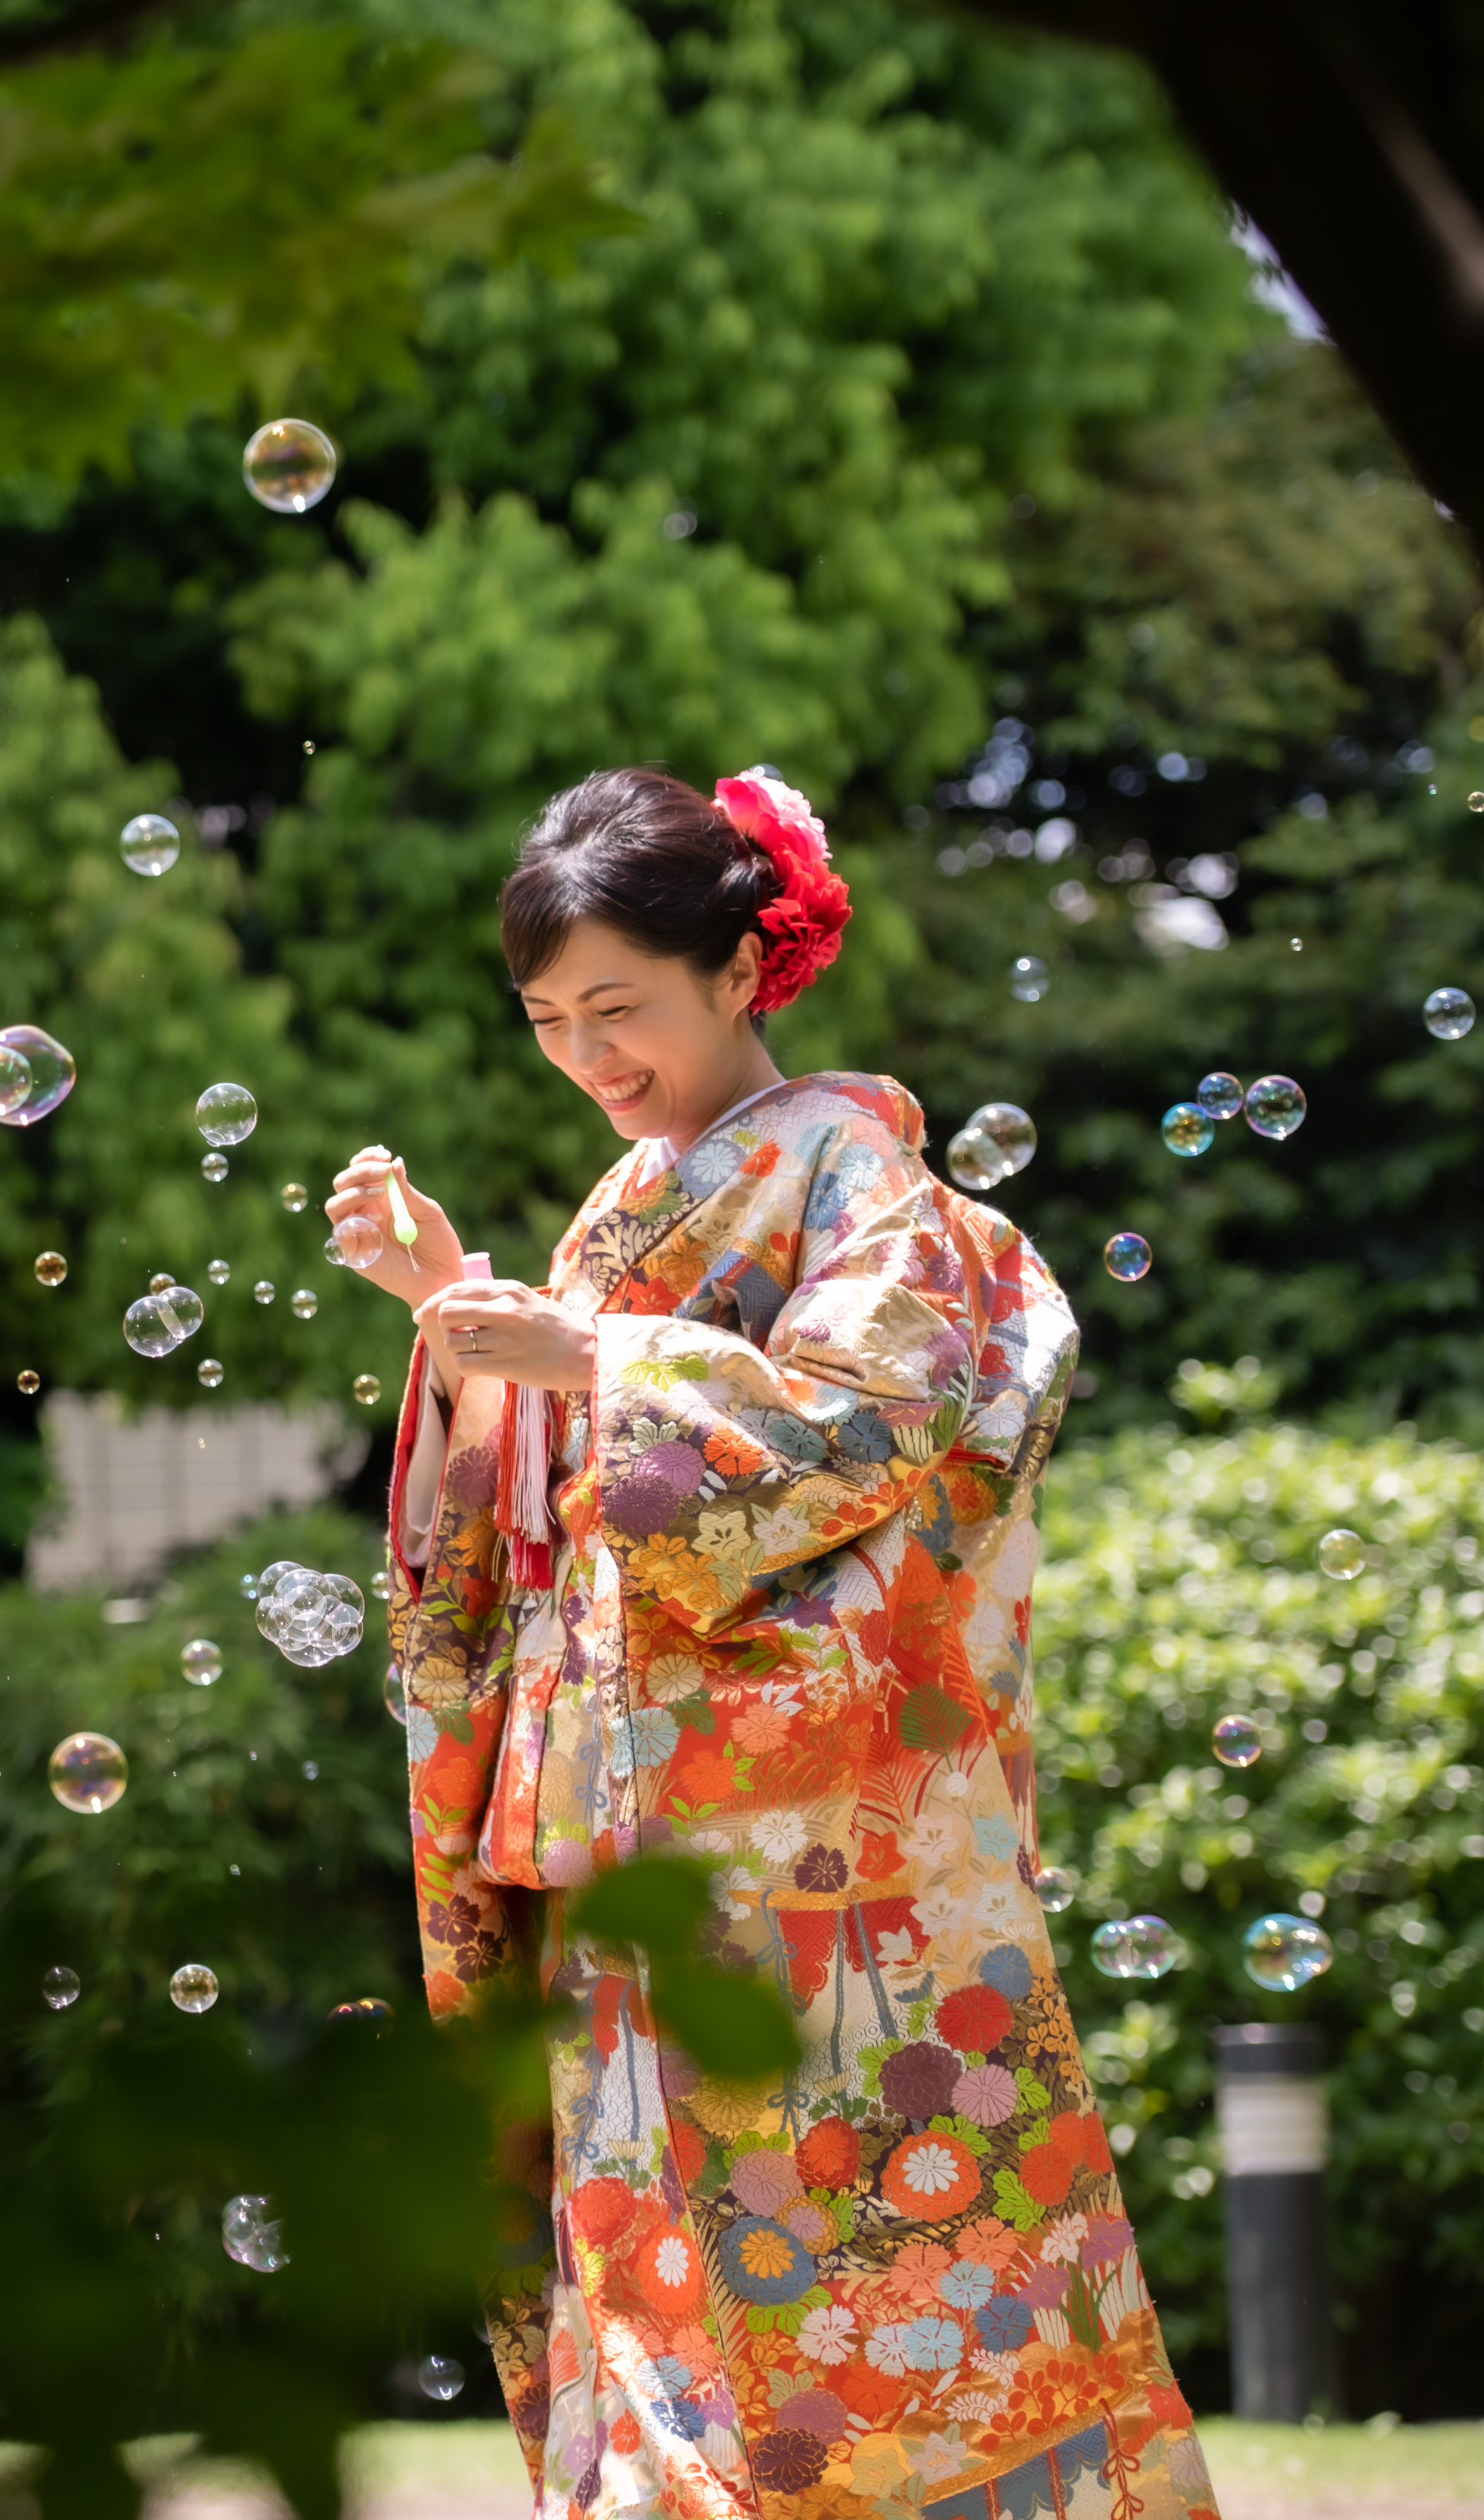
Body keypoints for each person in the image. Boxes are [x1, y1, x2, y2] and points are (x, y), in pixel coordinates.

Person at [328, 768, 1216, 2520]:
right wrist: (457, 1320)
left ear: (742, 968)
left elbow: (871, 1427)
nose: (587, 1054)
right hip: (616, 1829)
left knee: (867, 2251)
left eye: (620, 1006)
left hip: (813, 1866)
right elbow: (533, 1521)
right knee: (649, 2269)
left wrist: (589, 1361)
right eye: (548, 1019)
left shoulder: (849, 1165)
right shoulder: (616, 1210)